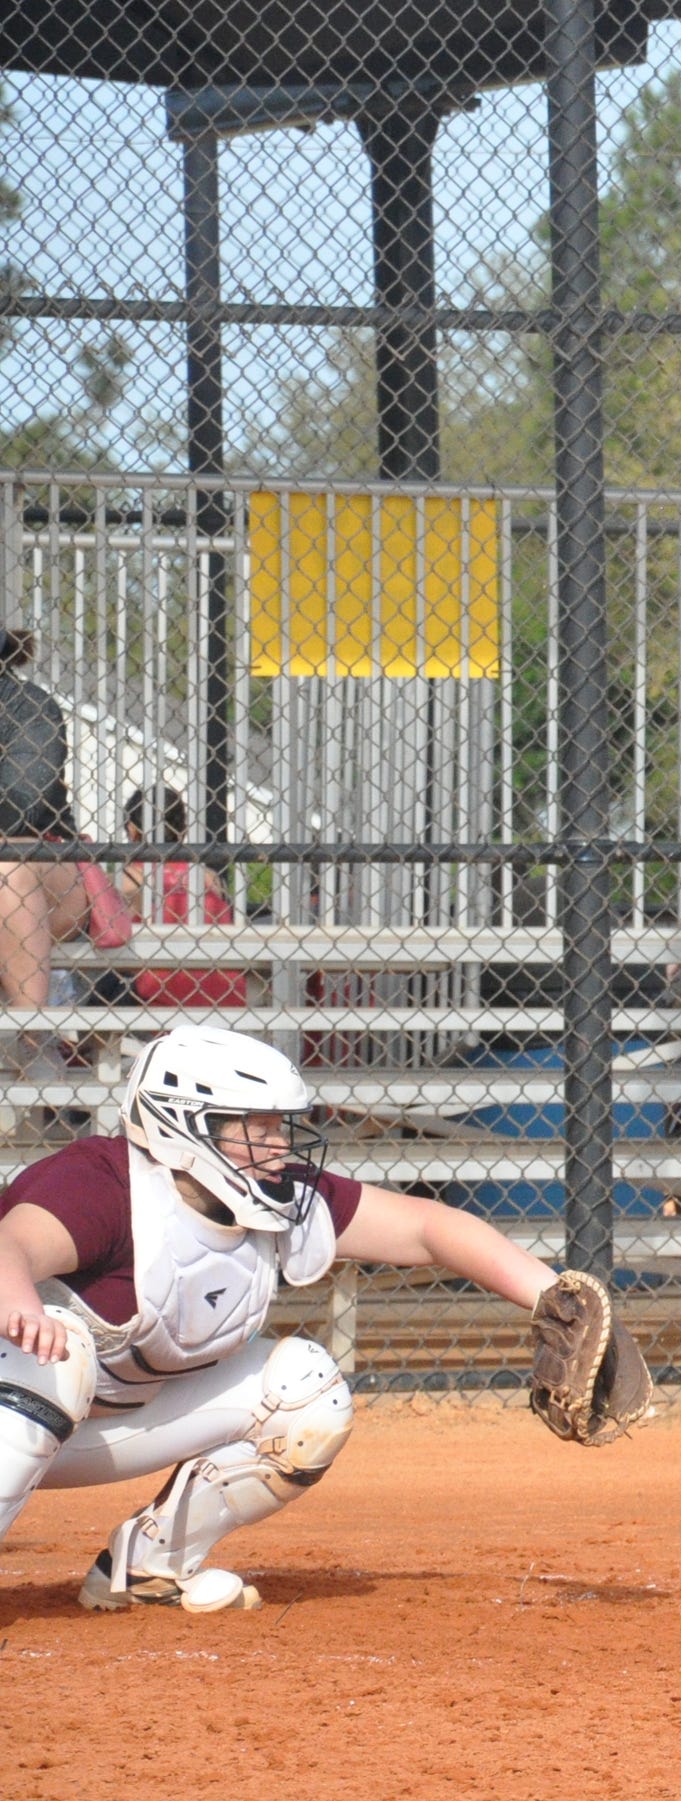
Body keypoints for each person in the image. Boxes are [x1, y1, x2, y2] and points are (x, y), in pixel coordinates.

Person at [0, 1025, 570, 1610]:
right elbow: (8, 1247)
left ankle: (148, 1571)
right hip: (20, 1403)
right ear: (184, 1125)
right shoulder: (104, 1181)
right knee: (55, 1354)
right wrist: (18, 1301)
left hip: (97, 1425)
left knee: (305, 1390)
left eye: (280, 1127)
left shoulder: (277, 1194)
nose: (280, 1147)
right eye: (260, 1129)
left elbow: (427, 1228)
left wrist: (556, 1300)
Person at [0, 627, 131, 1065]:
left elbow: (23, 806)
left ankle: (31, 1043)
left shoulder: (27, 706)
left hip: (47, 871)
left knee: (9, 868)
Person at [120, 787, 251, 1010]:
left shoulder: (131, 878)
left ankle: (81, 1043)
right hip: (225, 996)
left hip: (162, 995)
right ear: (183, 829)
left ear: (133, 830)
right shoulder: (208, 877)